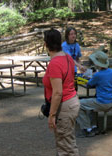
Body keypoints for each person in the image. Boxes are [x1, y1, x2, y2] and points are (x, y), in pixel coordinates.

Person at [42, 28, 80, 156]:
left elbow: (58, 92)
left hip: (64, 106)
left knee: (66, 147)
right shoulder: (67, 57)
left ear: (46, 44)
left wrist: (52, 115)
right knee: (67, 141)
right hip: (72, 101)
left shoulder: (55, 63)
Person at [76, 51, 112, 137]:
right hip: (111, 100)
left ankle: (87, 129)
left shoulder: (98, 75)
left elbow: (89, 84)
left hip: (102, 102)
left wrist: (91, 76)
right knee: (90, 103)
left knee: (77, 105)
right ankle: (94, 126)